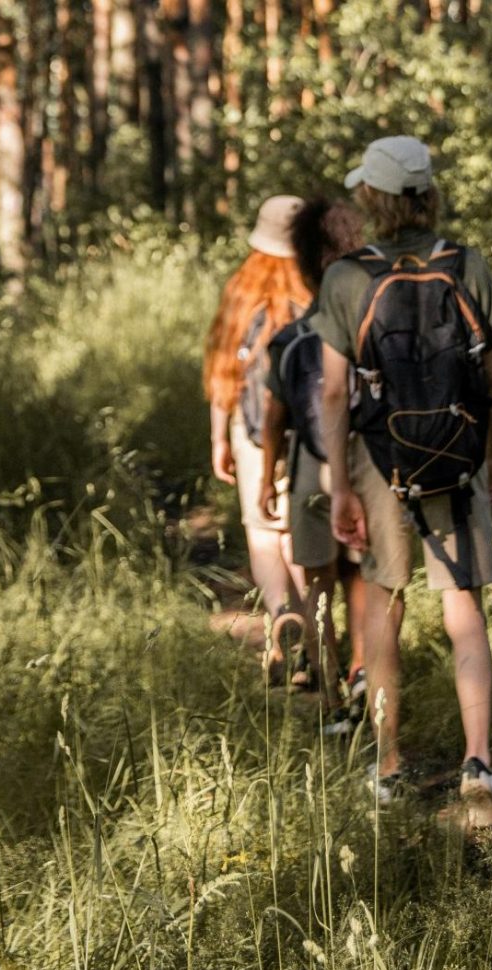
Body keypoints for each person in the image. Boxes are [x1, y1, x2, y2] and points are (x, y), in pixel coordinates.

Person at [310, 135, 492, 827]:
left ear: (372, 197)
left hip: (380, 459)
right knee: (464, 606)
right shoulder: (466, 264)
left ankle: (390, 764)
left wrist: (341, 486)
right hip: (458, 452)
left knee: (384, 604)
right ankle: (479, 762)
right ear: (428, 194)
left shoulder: (346, 278)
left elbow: (332, 393)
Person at [257, 195, 371, 730]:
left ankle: (331, 698)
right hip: (364, 462)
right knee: (361, 576)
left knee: (319, 583)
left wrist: (266, 479)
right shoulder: (367, 327)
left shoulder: (291, 337)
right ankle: (365, 671)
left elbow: (274, 416)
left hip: (309, 467)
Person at [203, 195, 310, 677]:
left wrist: (219, 439)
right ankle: (313, 633)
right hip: (308, 432)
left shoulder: (242, 290)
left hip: (250, 429)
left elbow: (223, 369)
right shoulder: (318, 287)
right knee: (297, 530)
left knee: (262, 530)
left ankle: (281, 615)